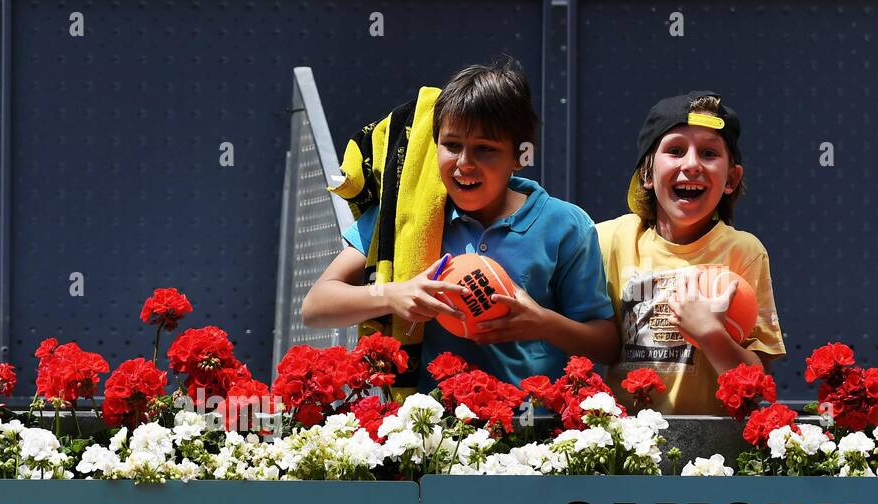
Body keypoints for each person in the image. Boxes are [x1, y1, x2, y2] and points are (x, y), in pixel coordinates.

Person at [302, 58, 619, 392]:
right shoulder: (404, 214)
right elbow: (316, 306)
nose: (464, 164)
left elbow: (606, 345)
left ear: (519, 154)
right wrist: (393, 294)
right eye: (452, 145)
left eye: (485, 149)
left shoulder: (566, 225)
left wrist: (542, 323)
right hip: (429, 434)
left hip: (533, 433)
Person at [597, 91, 786, 413]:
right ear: (646, 172)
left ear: (731, 178)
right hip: (625, 448)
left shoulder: (745, 252)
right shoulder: (611, 239)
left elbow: (757, 385)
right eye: (675, 150)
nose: (692, 164)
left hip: (715, 451)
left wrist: (711, 333)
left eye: (709, 153)